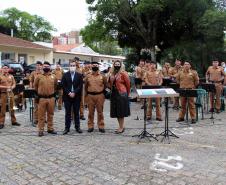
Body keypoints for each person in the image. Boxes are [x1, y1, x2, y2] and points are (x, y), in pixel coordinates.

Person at [34, 61, 57, 137]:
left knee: (51, 114)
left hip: (51, 98)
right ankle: (41, 130)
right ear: (42, 67)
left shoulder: (53, 76)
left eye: (47, 66)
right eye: (44, 66)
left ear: (50, 67)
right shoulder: (39, 77)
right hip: (42, 99)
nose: (46, 68)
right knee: (41, 115)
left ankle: (50, 128)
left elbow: (55, 86)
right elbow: (35, 87)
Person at [61, 59, 83, 135]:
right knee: (68, 113)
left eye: (74, 65)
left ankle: (77, 127)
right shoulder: (65, 75)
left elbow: (80, 86)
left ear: (76, 66)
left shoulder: (79, 75)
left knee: (76, 113)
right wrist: (69, 92)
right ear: (69, 66)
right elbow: (63, 85)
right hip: (67, 97)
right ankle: (67, 128)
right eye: (71, 65)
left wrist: (74, 92)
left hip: (76, 97)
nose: (72, 67)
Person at [84, 61, 107, 133]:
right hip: (90, 96)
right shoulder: (88, 76)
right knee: (90, 112)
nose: (95, 66)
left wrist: (103, 94)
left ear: (98, 66)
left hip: (100, 95)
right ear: (91, 66)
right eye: (93, 65)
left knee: (100, 112)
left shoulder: (102, 75)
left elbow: (105, 85)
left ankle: (101, 126)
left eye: (96, 65)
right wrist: (85, 97)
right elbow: (86, 86)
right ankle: (90, 126)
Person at [109, 60, 130, 133]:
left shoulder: (123, 73)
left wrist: (127, 94)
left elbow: (128, 85)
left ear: (121, 65)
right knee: (117, 111)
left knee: (121, 112)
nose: (117, 65)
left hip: (121, 94)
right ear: (113, 65)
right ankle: (121, 126)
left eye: (118, 64)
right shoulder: (112, 73)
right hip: (114, 93)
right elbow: (109, 83)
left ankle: (121, 127)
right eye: (115, 64)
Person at [0, 65, 20, 129]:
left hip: (11, 93)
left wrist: (11, 87)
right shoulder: (0, 76)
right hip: (3, 93)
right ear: (1, 69)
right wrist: (6, 87)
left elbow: (14, 84)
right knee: (3, 108)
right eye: (4, 68)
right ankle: (1, 122)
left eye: (6, 68)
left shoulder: (11, 76)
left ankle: (13, 121)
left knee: (12, 107)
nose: (5, 69)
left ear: (8, 69)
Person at [29, 61, 43, 126]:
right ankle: (36, 119)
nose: (38, 66)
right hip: (35, 91)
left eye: (39, 65)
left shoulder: (43, 73)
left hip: (43, 91)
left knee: (43, 106)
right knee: (36, 106)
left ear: (41, 66)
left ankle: (43, 118)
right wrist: (31, 88)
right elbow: (31, 81)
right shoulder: (33, 73)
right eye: (37, 65)